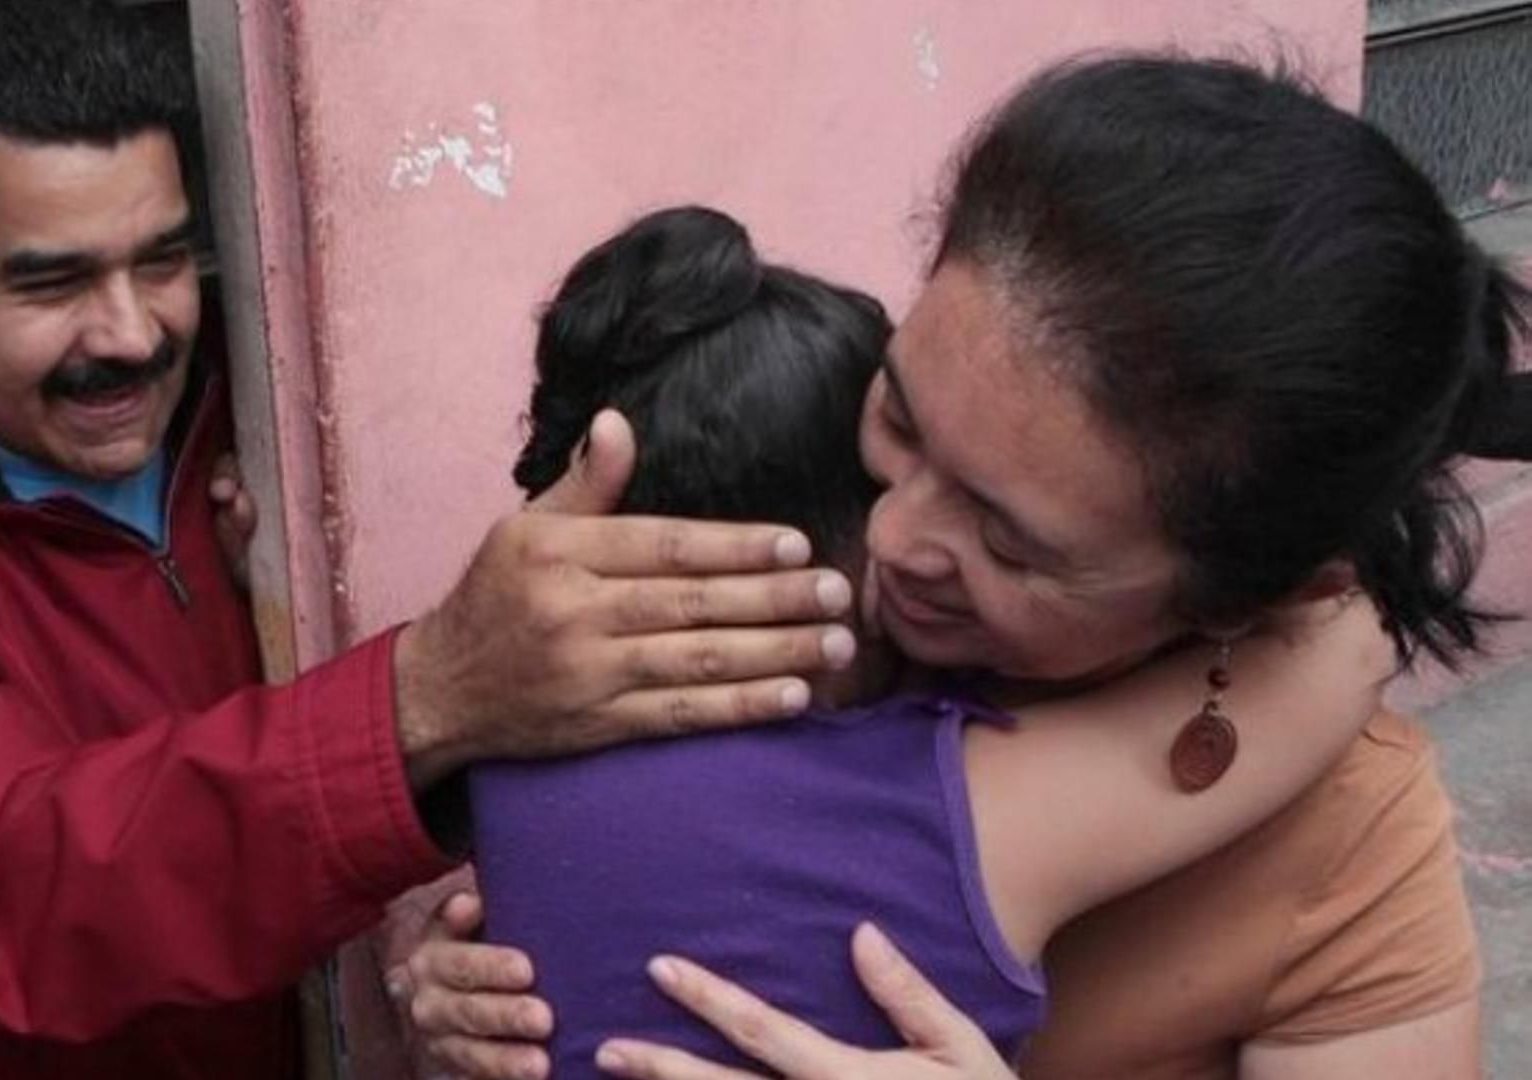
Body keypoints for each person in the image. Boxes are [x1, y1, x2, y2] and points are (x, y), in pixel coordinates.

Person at [0, 3, 859, 1077]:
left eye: (164, 259)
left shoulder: (254, 398)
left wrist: (430, 933)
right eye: (52, 282)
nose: (128, 333)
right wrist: (420, 695)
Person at [399, 55, 1531, 1080]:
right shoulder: (772, 617)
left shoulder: (1351, 842)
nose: (890, 542)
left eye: (1007, 540)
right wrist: (466, 981)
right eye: (899, 412)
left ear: (1251, 593)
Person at [468, 205, 1386, 1079]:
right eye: (897, 445)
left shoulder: (498, 760)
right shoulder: (946, 810)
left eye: (1000, 529)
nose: (907, 544)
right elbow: (1345, 650)